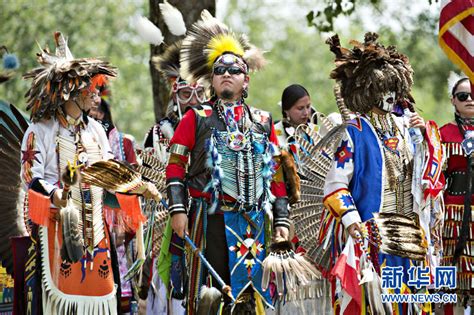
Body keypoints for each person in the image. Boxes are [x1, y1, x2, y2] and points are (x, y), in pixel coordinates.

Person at [18, 32, 157, 314]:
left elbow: (108, 171)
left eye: (96, 89)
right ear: (71, 91)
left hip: (96, 231)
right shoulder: (40, 131)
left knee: (102, 300)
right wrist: (58, 193)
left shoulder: (95, 131)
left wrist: (137, 185)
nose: (96, 95)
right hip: (56, 229)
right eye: (90, 90)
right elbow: (30, 176)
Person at [165, 11, 289, 314]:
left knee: (252, 296)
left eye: (234, 70)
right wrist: (177, 210)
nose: (226, 74)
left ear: (246, 79)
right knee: (213, 295)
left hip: (254, 223)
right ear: (212, 78)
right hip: (211, 220)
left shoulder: (261, 121)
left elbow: (276, 176)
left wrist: (282, 219)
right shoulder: (196, 118)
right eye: (219, 70)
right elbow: (175, 168)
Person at [321, 33, 442, 314]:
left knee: (412, 304)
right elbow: (336, 185)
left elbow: (428, 177)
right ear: (368, 91)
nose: (389, 96)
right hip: (374, 235)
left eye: (393, 88)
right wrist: (353, 223)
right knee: (375, 305)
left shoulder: (408, 127)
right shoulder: (355, 132)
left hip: (411, 234)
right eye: (382, 88)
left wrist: (424, 137)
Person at [142, 41, 205, 315]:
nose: (193, 99)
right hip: (169, 225)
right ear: (174, 93)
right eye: (185, 93)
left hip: (206, 220)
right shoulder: (157, 134)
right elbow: (148, 184)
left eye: (199, 92)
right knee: (174, 293)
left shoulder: (216, 128)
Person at [440, 75, 474, 314]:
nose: (469, 100)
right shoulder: (442, 133)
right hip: (452, 214)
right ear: (453, 100)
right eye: (463, 96)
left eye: (473, 95)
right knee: (450, 276)